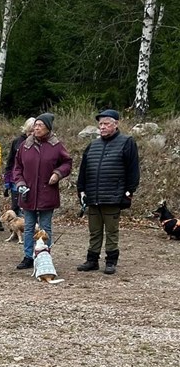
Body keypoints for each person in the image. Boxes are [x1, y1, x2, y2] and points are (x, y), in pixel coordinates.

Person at [76, 109, 140, 275]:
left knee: (112, 232)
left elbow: (133, 170)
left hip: (114, 196)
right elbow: (83, 171)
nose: (102, 127)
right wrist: (81, 190)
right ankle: (92, 260)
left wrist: (128, 192)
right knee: (94, 231)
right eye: (100, 124)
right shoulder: (93, 145)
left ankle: (111, 261)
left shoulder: (127, 142)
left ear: (115, 124)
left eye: (106, 124)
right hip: (93, 196)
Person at [11, 112, 72, 270]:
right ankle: (28, 257)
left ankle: (44, 255)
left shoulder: (56, 145)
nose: (36, 128)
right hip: (28, 193)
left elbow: (67, 163)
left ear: (48, 128)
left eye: (40, 126)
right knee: (29, 226)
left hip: (47, 192)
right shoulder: (25, 145)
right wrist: (20, 183)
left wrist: (57, 174)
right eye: (35, 125)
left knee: (45, 226)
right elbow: (17, 168)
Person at [3, 118, 35, 216]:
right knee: (15, 205)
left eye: (33, 131)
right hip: (15, 178)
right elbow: (10, 161)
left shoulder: (38, 143)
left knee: (29, 206)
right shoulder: (17, 141)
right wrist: (7, 180)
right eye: (30, 131)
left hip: (31, 179)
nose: (31, 134)